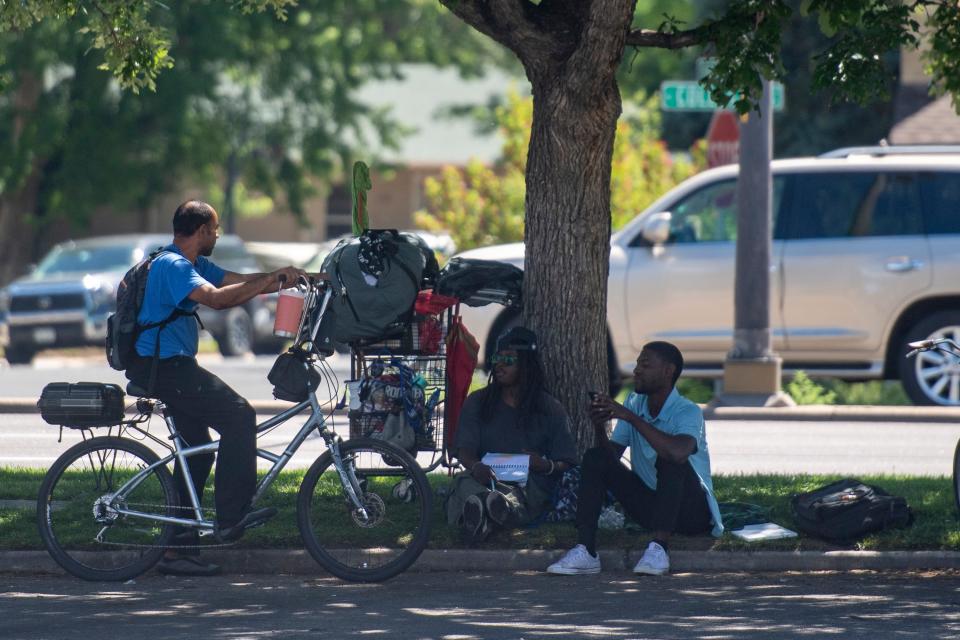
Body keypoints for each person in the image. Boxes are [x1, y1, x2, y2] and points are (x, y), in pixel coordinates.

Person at [125, 200, 305, 576]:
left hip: (172, 365)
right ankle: (231, 517)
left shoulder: (192, 263)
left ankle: (178, 551)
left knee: (197, 453)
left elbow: (232, 280)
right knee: (240, 415)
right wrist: (269, 283)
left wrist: (287, 277)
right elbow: (219, 299)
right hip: (166, 368)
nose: (218, 235)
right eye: (216, 228)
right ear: (202, 230)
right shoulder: (173, 266)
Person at [547, 341, 723, 576]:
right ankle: (586, 550)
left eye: (645, 365)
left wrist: (630, 417)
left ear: (668, 371)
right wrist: (600, 427)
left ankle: (659, 548)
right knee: (595, 457)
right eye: (638, 364)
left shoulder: (688, 411)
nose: (636, 370)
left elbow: (678, 452)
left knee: (670, 458)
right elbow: (610, 459)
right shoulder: (635, 403)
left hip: (691, 513)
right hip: (651, 506)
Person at [448, 326, 578, 541]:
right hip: (485, 478)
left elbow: (568, 463)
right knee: (463, 482)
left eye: (508, 360)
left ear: (526, 365)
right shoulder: (478, 402)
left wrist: (544, 465)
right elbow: (464, 451)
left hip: (526, 482)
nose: (499, 365)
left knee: (520, 496)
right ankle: (486, 508)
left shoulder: (549, 408)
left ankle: (489, 512)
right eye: (496, 358)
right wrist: (476, 466)